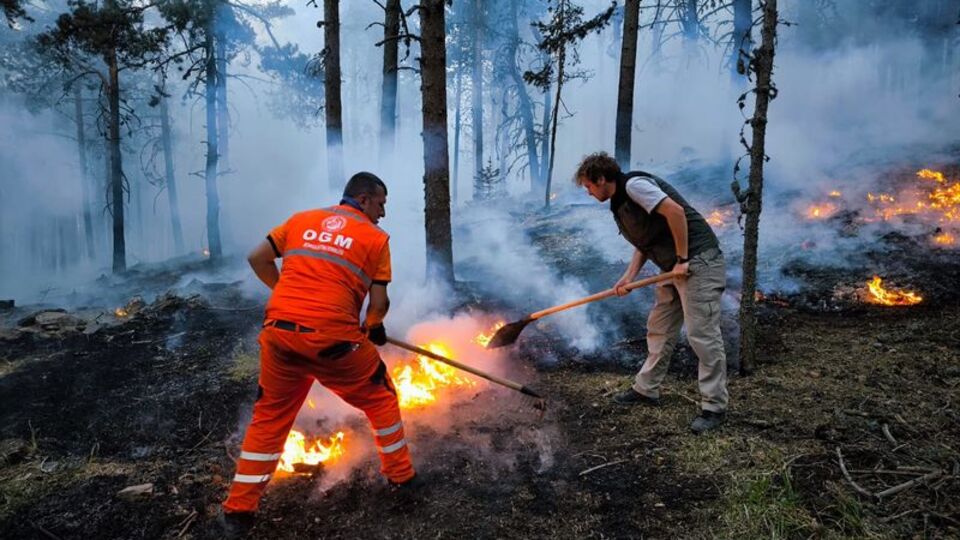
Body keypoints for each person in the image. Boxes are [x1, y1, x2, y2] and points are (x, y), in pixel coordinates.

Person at [219, 172, 416, 537]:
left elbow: (256, 257)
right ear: (363, 199)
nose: (383, 213)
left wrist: (289, 296)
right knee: (381, 398)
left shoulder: (301, 220)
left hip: (279, 333)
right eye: (381, 204)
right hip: (333, 339)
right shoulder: (375, 239)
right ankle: (402, 480)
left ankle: (238, 513)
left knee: (269, 418)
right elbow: (379, 303)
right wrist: (374, 326)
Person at [574, 152, 728, 434]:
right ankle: (646, 389)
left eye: (588, 186)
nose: (588, 192)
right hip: (673, 267)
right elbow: (645, 242)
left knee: (702, 334)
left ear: (601, 178)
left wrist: (682, 259)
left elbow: (675, 212)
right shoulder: (620, 202)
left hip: (698, 262)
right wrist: (628, 277)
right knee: (660, 328)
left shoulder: (634, 186)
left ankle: (714, 406)